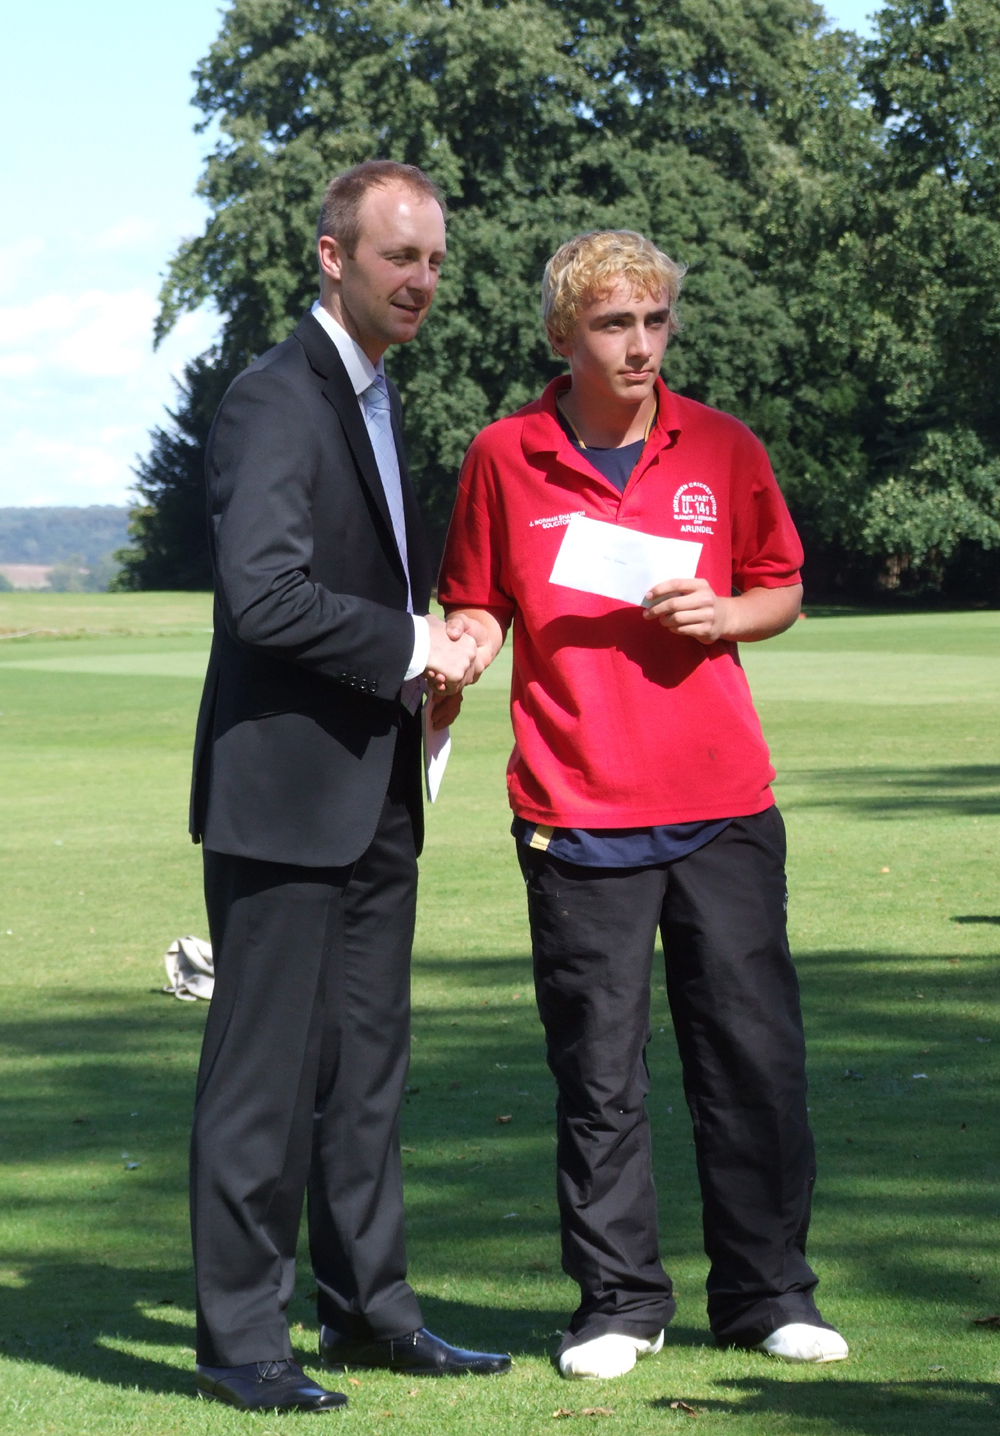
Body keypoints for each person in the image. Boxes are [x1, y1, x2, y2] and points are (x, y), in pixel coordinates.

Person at [436, 230, 848, 1380]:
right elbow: (473, 600)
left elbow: (782, 587)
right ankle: (618, 1301)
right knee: (599, 1074)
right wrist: (461, 647)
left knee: (753, 1060)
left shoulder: (720, 443)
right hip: (574, 809)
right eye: (614, 324)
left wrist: (728, 615)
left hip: (722, 803)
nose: (639, 343)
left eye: (655, 320)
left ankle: (768, 1294)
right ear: (562, 334)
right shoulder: (502, 456)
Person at [188, 160, 511, 1414]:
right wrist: (411, 645)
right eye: (398, 257)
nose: (422, 279)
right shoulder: (276, 397)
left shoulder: (377, 399)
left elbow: (358, 588)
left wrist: (438, 645)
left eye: (433, 258)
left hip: (377, 786)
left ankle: (371, 1312)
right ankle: (239, 1341)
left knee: (366, 1068)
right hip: (281, 799)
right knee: (261, 1080)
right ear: (333, 257)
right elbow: (262, 593)